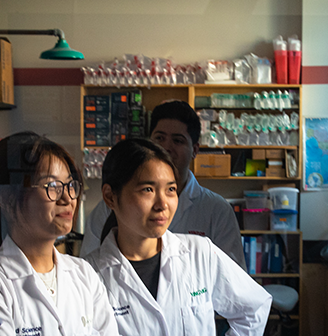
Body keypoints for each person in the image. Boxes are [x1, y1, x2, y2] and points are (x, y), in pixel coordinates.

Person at [83, 138, 272, 336]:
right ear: (110, 197)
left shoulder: (200, 253)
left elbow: (254, 307)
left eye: (170, 190)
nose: (162, 204)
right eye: (148, 190)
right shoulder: (89, 276)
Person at [0, 132, 118, 335]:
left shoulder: (84, 275)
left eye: (70, 185)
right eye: (52, 186)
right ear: (7, 198)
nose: (67, 198)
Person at [80, 101, 246, 269]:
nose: (166, 147)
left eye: (178, 140)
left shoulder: (216, 210)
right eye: (159, 138)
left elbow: (234, 279)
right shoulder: (111, 206)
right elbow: (89, 268)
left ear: (195, 150)